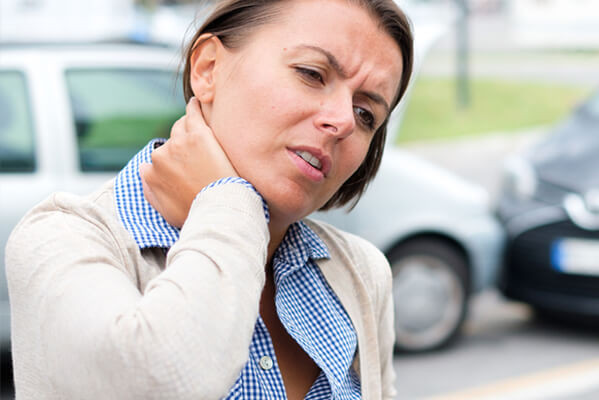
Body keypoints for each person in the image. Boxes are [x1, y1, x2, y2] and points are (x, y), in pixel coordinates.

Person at [5, 0, 413, 398]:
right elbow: (157, 380)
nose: (342, 120)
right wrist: (228, 201)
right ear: (208, 69)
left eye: (366, 115)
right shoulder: (61, 238)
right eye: (311, 73)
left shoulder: (361, 272)